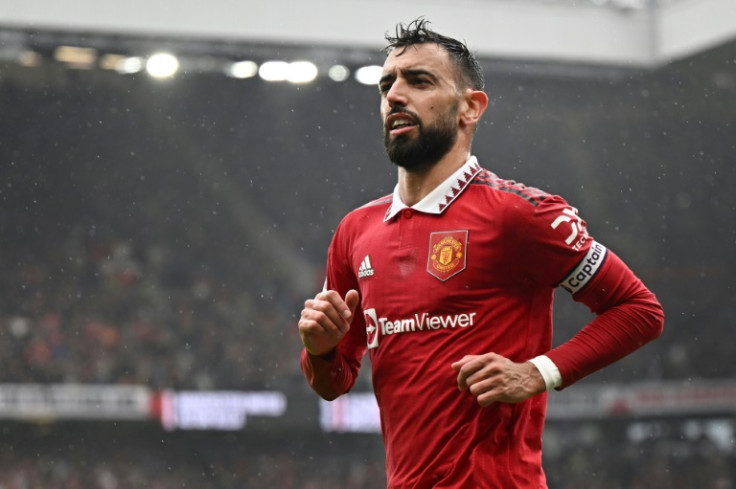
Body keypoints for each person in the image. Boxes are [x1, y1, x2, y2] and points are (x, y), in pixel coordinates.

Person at [298, 18, 664, 489]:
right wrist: (320, 350)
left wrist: (538, 372)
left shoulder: (522, 215)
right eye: (386, 84)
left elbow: (639, 310)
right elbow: (335, 383)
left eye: (419, 81)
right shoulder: (355, 231)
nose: (394, 95)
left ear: (471, 108)